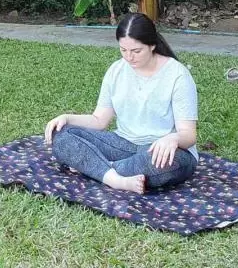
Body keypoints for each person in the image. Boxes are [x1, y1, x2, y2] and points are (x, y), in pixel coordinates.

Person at [45, 13, 198, 194]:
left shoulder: (177, 75)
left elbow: (188, 135)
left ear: (152, 45)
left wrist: (172, 139)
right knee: (62, 135)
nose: (129, 57)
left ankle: (95, 167)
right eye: (123, 50)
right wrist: (66, 117)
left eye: (136, 51)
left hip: (160, 151)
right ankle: (115, 179)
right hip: (122, 144)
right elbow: (99, 120)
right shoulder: (116, 70)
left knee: (167, 164)